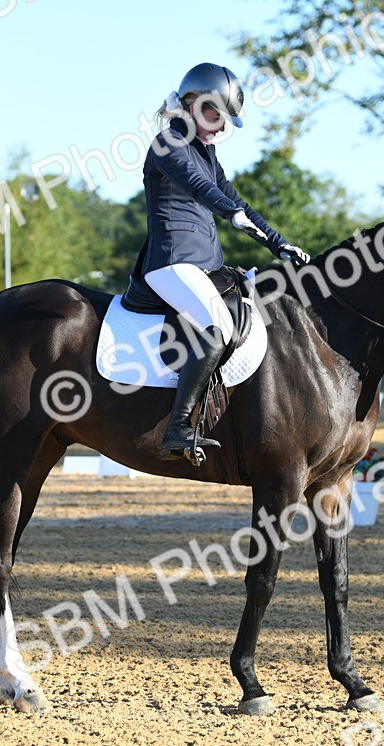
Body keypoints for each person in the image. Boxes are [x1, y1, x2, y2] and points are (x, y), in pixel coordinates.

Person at [132, 62, 310, 462]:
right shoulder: (167, 144)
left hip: (206, 264)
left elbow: (236, 199)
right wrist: (230, 213)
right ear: (193, 103)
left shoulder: (206, 154)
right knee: (218, 325)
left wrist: (279, 244)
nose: (221, 126)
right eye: (216, 115)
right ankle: (178, 428)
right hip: (172, 261)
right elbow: (199, 188)